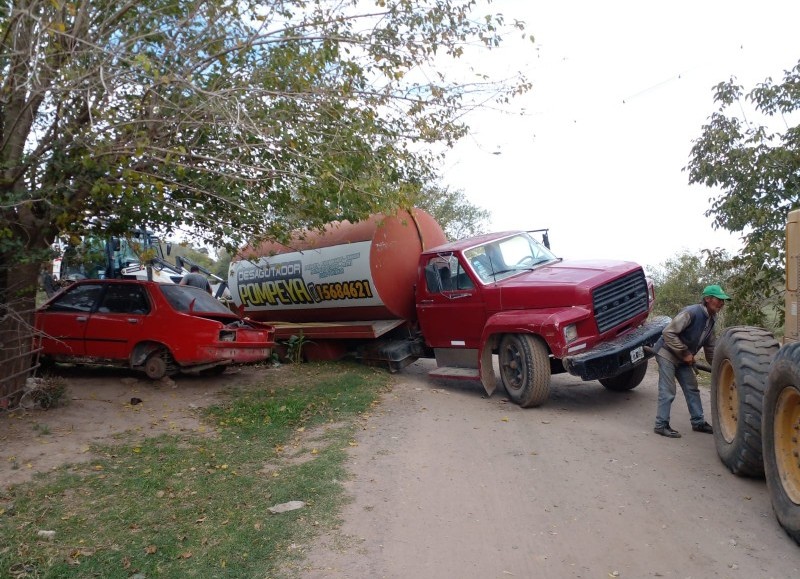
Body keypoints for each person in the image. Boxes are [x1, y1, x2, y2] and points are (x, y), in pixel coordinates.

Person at [653, 284, 731, 438]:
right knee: (668, 390)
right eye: (719, 299)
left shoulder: (711, 319)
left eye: (723, 301)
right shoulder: (692, 312)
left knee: (692, 388)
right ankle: (661, 425)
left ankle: (698, 422)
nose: (722, 303)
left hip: (683, 358)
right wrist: (685, 352)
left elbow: (710, 347)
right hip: (667, 353)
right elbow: (668, 333)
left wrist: (717, 367)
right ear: (707, 299)